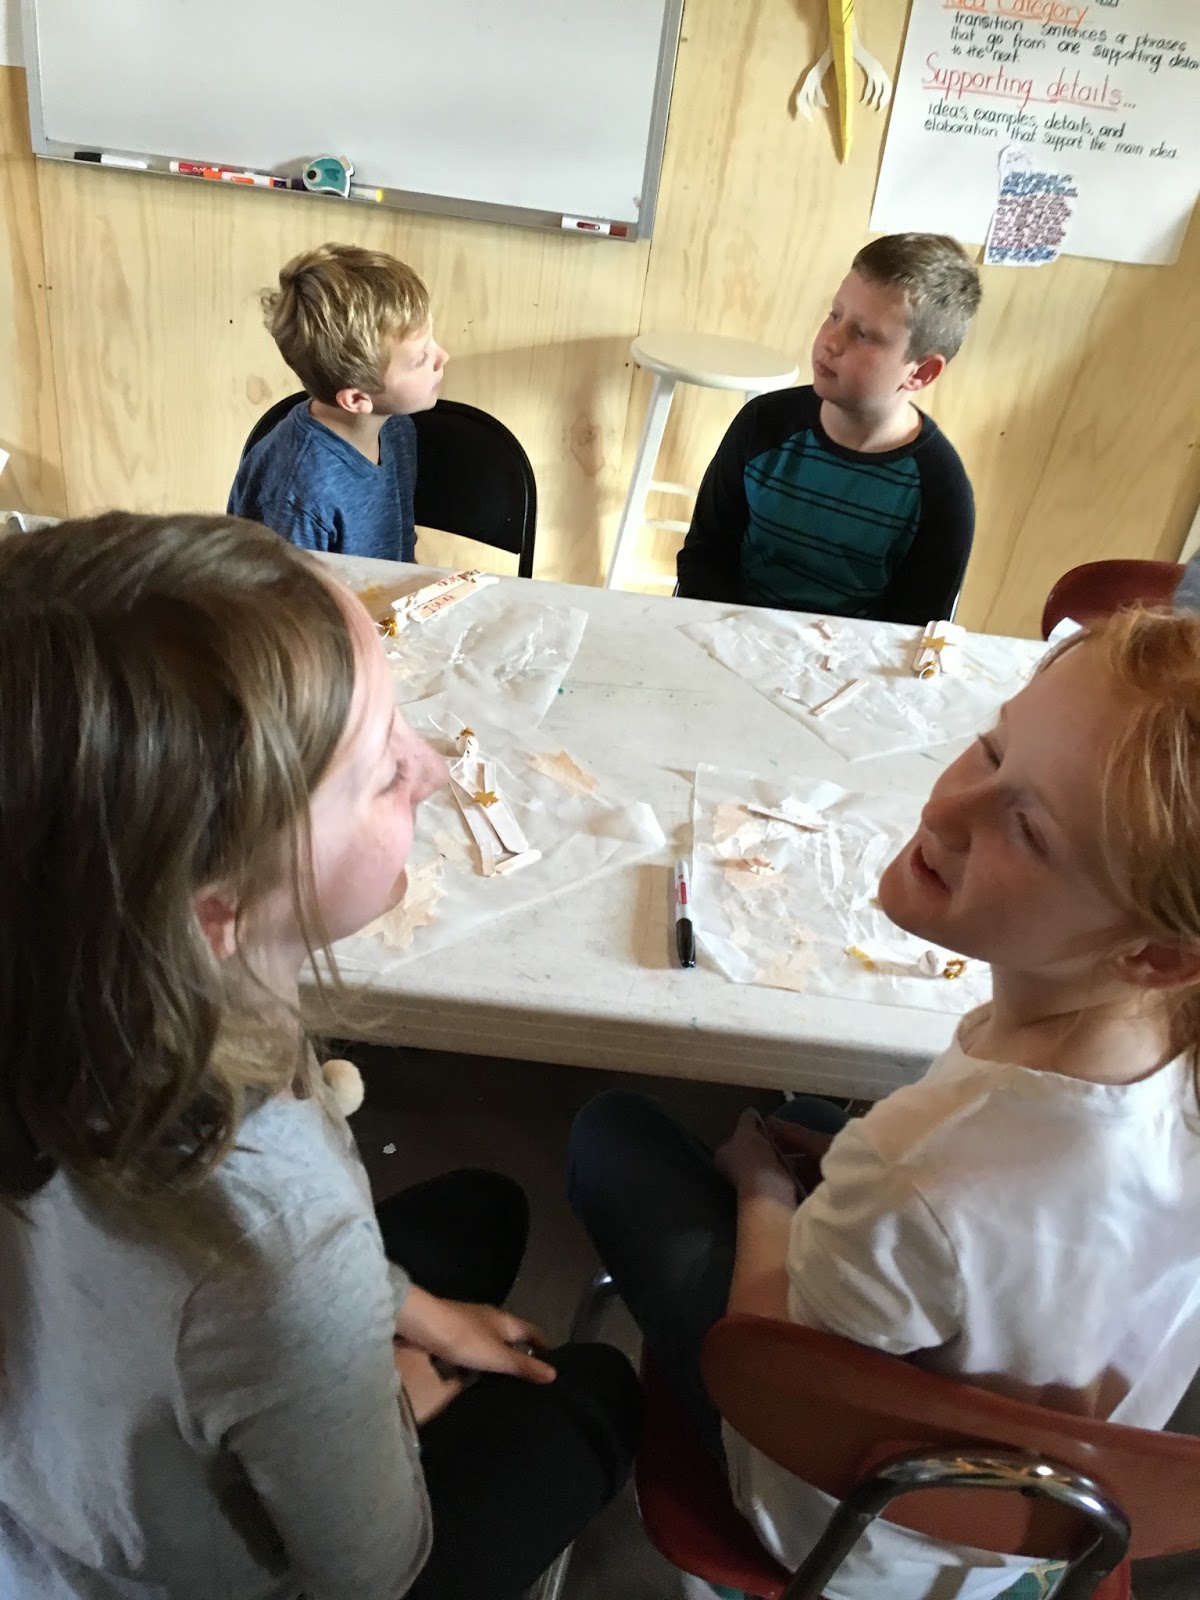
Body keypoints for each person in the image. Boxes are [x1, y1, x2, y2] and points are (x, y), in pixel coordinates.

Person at [0, 512, 641, 1600]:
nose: (430, 769)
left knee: (481, 1212)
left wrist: (402, 1311)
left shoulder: (59, 966)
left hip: (63, 1468)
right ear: (216, 913)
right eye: (384, 766)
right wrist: (388, 1399)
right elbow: (372, 1568)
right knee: (593, 1394)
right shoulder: (281, 1240)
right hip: (166, 1569)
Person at [570, 606, 1200, 1600]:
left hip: (854, 1530)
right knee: (828, 1128)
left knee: (613, 1133)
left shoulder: (922, 1166)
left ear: (1156, 954)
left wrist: (765, 1192)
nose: (947, 810)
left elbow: (772, 1371)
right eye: (992, 747)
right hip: (1051, 1524)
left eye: (1028, 829)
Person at [676, 233, 981, 623]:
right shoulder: (762, 424)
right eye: (835, 315)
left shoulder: (941, 491)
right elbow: (704, 557)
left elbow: (913, 629)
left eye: (863, 334)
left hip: (849, 658)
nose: (831, 341)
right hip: (732, 634)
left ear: (921, 372)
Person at [228, 243, 448, 561]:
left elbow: (399, 557)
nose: (443, 357)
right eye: (421, 358)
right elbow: (284, 591)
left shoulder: (396, 429)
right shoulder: (300, 491)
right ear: (357, 399)